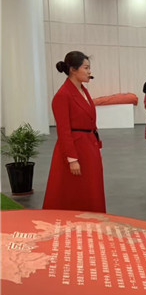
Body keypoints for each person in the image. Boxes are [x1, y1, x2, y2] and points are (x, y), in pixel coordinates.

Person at [43, 51, 106, 213]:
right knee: (72, 190)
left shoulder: (83, 91)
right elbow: (63, 130)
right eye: (86, 68)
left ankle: (92, 218)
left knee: (90, 186)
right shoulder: (63, 95)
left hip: (89, 146)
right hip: (76, 149)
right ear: (73, 69)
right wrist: (72, 159)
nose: (89, 72)